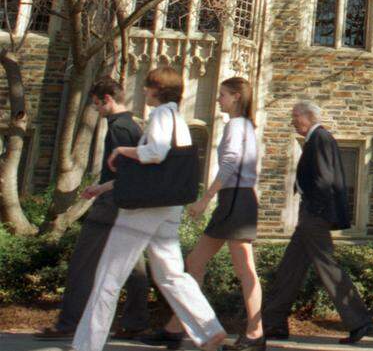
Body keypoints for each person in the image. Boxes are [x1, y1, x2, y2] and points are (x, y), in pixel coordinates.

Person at [73, 66, 227, 351]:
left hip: (145, 209)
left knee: (108, 276)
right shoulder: (178, 119)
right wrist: (105, 186)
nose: (143, 90)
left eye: (148, 86)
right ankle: (208, 328)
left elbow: (156, 153)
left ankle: (86, 345)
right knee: (170, 274)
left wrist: (124, 151)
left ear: (158, 89)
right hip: (169, 206)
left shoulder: (160, 115)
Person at [141, 77, 264, 351]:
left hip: (237, 200)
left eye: (222, 95)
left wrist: (205, 199)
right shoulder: (242, 126)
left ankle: (256, 334)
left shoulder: (236, 125)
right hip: (234, 200)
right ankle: (176, 328)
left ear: (236, 97)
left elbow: (231, 163)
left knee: (245, 270)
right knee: (195, 261)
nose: (218, 99)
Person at [34, 77, 150, 342]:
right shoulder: (132, 126)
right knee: (133, 265)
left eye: (97, 104)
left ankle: (70, 322)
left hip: (112, 203)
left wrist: (99, 189)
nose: (97, 110)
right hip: (130, 204)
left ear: (108, 99)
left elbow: (129, 174)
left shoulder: (119, 128)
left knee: (82, 263)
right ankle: (136, 322)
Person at [262, 101, 373, 345]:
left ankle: (359, 320)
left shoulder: (320, 138)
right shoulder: (315, 139)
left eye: (295, 116)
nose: (292, 120)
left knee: (327, 266)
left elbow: (325, 179)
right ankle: (273, 322)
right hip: (310, 214)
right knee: (289, 269)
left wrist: (316, 210)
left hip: (314, 215)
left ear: (307, 117)